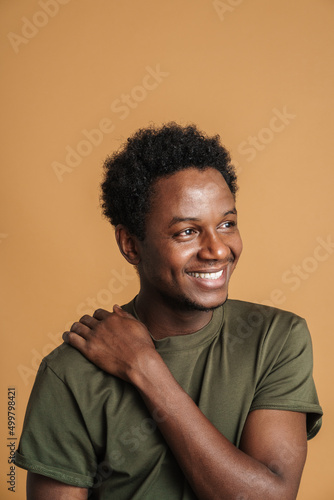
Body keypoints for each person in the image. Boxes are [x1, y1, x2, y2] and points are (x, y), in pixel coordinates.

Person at [15, 123, 322, 500]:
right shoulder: (70, 373)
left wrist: (145, 368)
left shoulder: (276, 339)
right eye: (187, 232)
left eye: (227, 224)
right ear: (130, 245)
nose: (218, 250)